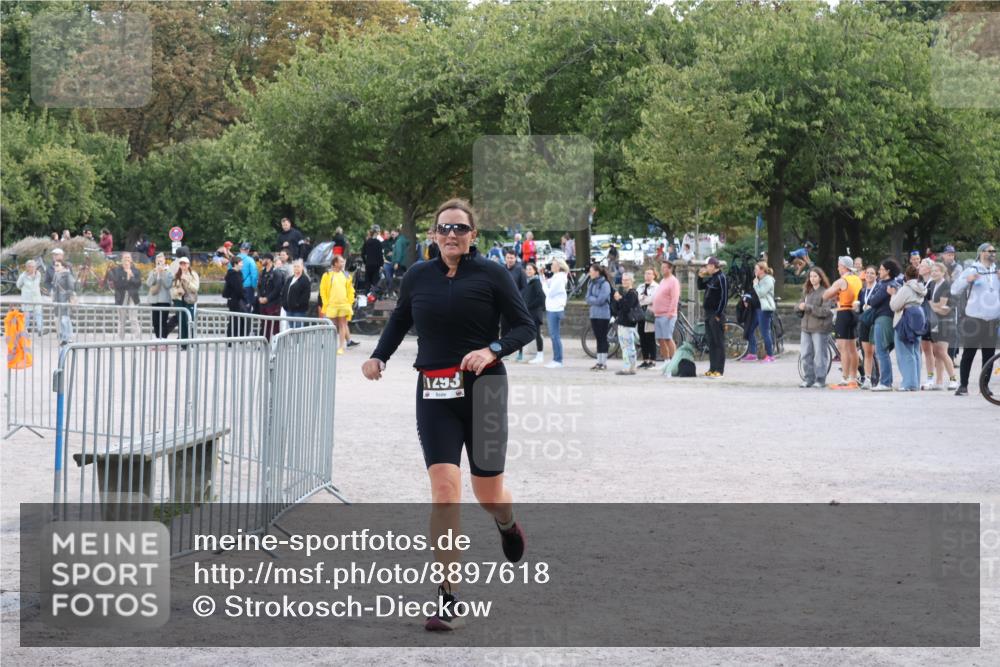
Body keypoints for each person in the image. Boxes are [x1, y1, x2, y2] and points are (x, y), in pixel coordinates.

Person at [362, 198, 533, 631]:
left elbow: (524, 326)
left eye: (459, 228)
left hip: (485, 390)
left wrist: (493, 349)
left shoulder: (492, 274)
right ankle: (448, 596)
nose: (451, 234)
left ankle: (507, 522)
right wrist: (379, 356)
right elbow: (400, 320)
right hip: (435, 391)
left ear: (473, 235)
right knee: (444, 491)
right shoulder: (418, 276)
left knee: (487, 494)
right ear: (433, 234)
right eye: (444, 228)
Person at [951, 242, 999, 396]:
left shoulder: (997, 271)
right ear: (981, 253)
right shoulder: (972, 269)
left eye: (994, 251)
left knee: (989, 355)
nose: (993, 253)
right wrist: (967, 280)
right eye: (989, 251)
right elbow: (954, 290)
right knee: (969, 353)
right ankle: (963, 385)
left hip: (992, 320)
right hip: (974, 319)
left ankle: (984, 387)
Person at [822, 256, 862, 388]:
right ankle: (853, 377)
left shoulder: (841, 281)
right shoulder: (857, 279)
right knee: (853, 348)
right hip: (854, 312)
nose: (838, 268)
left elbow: (825, 295)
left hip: (844, 312)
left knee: (843, 348)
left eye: (839, 265)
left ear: (844, 267)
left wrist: (836, 291)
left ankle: (844, 377)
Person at [889, 264, 927, 391]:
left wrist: (893, 294)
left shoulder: (906, 288)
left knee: (905, 352)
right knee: (915, 352)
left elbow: (894, 306)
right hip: (918, 319)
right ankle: (915, 382)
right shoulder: (921, 287)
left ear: (906, 275)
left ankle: (909, 383)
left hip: (905, 320)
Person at [867, 259, 902, 392]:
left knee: (881, 351)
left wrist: (872, 298)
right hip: (887, 319)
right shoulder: (892, 283)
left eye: (881, 269)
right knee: (882, 351)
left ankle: (885, 382)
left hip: (883, 319)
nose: (879, 271)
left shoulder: (887, 285)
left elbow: (873, 301)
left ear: (888, 271)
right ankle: (886, 381)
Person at [797, 268, 834, 388]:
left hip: (820, 328)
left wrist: (808, 307)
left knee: (819, 355)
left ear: (820, 278)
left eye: (815, 276)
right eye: (811, 276)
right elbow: (799, 305)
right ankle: (808, 378)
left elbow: (825, 311)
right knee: (805, 354)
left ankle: (820, 379)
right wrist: (799, 307)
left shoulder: (826, 292)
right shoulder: (807, 291)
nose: (812, 279)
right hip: (805, 328)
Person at [926, 262, 959, 390]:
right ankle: (939, 382)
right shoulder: (932, 284)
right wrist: (935, 306)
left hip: (946, 322)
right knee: (937, 353)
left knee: (942, 352)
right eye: (932, 271)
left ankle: (953, 379)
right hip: (936, 322)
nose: (934, 273)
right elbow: (936, 306)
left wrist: (932, 305)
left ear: (943, 272)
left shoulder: (946, 285)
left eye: (937, 271)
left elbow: (941, 307)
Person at [697, 256, 728, 377]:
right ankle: (712, 368)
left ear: (713, 266)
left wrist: (719, 314)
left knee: (718, 342)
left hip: (716, 314)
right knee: (711, 342)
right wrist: (700, 276)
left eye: (707, 266)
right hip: (708, 313)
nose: (706, 268)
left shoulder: (721, 277)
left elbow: (724, 297)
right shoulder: (712, 278)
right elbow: (700, 287)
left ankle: (719, 370)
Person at [320, 255, 355, 355]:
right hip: (331, 305)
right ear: (335, 263)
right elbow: (322, 290)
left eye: (343, 262)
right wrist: (325, 302)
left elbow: (351, 290)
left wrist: (350, 302)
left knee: (342, 324)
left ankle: (341, 347)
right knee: (331, 325)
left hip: (344, 304)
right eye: (341, 262)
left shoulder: (346, 275)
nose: (343, 263)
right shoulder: (327, 275)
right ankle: (330, 344)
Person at [744, 261, 776, 362]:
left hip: (765, 309)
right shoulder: (759, 280)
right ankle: (752, 353)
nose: (754, 271)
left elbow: (761, 293)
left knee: (765, 332)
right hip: (757, 308)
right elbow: (754, 293)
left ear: (762, 270)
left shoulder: (768, 280)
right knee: (750, 329)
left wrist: (756, 284)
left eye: (756, 269)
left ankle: (770, 355)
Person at [585, 262, 614, 371]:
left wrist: (593, 299)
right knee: (598, 338)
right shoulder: (591, 283)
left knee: (602, 338)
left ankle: (603, 362)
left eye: (591, 271)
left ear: (597, 272)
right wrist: (594, 299)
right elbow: (587, 298)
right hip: (594, 314)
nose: (590, 273)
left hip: (603, 315)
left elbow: (601, 300)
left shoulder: (605, 284)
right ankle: (598, 361)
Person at [652, 261, 680, 372]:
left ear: (670, 269)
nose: (662, 269)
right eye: (661, 267)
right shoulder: (663, 280)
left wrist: (670, 312)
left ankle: (674, 362)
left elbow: (675, 298)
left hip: (667, 314)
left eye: (664, 267)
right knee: (660, 339)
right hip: (658, 314)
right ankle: (666, 361)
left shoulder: (674, 281)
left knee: (668, 338)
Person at [541, 258, 569, 368]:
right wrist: (542, 277)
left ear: (559, 266)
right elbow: (546, 283)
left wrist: (544, 283)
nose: (551, 266)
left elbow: (549, 293)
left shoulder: (559, 278)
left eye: (553, 265)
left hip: (555, 309)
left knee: (554, 336)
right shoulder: (556, 277)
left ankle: (558, 360)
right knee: (554, 335)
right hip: (553, 308)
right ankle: (557, 359)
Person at [107, 252, 142, 337]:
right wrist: (127, 277)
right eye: (125, 258)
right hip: (121, 297)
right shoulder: (116, 271)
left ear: (131, 260)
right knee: (121, 320)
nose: (127, 259)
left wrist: (131, 277)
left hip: (133, 297)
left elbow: (138, 284)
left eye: (128, 257)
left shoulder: (136, 271)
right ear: (122, 260)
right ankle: (120, 339)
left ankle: (137, 339)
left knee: (133, 319)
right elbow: (117, 285)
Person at [613, 272, 641, 375]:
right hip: (622, 322)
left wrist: (619, 299)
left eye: (626, 280)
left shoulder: (632, 293)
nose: (624, 282)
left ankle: (628, 367)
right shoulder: (624, 293)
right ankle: (631, 367)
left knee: (627, 346)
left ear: (631, 281)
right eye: (623, 280)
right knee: (626, 346)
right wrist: (616, 300)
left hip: (628, 323)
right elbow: (617, 309)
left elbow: (626, 307)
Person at [166, 256, 199, 344]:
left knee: (189, 321)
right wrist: (177, 291)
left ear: (188, 264)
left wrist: (187, 281)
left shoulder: (193, 274)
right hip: (179, 301)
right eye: (181, 264)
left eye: (185, 264)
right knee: (181, 321)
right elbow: (171, 289)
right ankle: (183, 343)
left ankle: (191, 342)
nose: (183, 265)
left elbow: (195, 288)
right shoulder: (176, 275)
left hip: (190, 300)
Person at [856, 265, 879, 389]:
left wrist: (871, 307)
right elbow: (860, 308)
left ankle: (878, 377)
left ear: (876, 275)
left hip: (875, 322)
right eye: (867, 273)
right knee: (866, 352)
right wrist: (857, 307)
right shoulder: (862, 290)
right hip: (864, 322)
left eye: (872, 273)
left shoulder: (878, 289)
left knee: (875, 352)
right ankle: (868, 378)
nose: (869, 275)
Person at [503, 249, 528, 361]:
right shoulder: (501, 269)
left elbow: (524, 288)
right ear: (505, 258)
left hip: (516, 305)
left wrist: (516, 298)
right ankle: (504, 352)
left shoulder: (520, 271)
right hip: (504, 305)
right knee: (504, 330)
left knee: (518, 330)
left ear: (515, 258)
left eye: (512, 258)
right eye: (508, 257)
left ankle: (520, 353)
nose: (510, 260)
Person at [520, 262, 546, 364]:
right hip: (529, 313)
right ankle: (525, 354)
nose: (528, 271)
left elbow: (541, 298)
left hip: (535, 313)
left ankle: (540, 355)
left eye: (530, 269)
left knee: (537, 334)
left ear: (535, 271)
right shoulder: (529, 282)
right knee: (533, 334)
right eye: (527, 269)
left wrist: (529, 306)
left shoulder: (536, 282)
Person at [917, 259, 937, 388]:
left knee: (938, 352)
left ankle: (940, 378)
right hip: (922, 318)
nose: (919, 267)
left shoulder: (934, 283)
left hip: (933, 318)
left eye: (923, 265)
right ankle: (929, 377)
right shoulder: (920, 283)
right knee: (925, 349)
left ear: (929, 269)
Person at [257, 253, 285, 341]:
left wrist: (267, 299)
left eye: (263, 259)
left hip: (273, 304)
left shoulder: (276, 273)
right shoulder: (262, 272)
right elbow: (259, 287)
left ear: (269, 260)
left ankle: (275, 343)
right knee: (264, 324)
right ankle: (265, 342)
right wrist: (259, 297)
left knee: (274, 326)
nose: (261, 261)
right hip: (263, 304)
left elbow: (278, 289)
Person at [146, 253, 174, 342]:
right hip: (154, 300)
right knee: (155, 322)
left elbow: (168, 285)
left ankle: (163, 340)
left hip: (164, 300)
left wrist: (162, 273)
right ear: (155, 261)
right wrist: (155, 273)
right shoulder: (153, 271)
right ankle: (158, 339)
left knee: (163, 321)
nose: (159, 263)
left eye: (161, 261)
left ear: (164, 261)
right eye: (158, 261)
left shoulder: (168, 272)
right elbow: (148, 283)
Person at [636, 268, 659, 369]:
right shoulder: (640, 287)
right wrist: (643, 299)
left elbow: (653, 299)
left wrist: (643, 299)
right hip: (640, 314)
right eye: (646, 273)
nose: (647, 275)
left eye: (650, 273)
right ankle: (645, 360)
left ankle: (652, 360)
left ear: (654, 275)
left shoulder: (657, 287)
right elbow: (636, 298)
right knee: (642, 337)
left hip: (650, 313)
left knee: (650, 337)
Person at [51, 258, 76, 344]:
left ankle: (68, 337)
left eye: (57, 265)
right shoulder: (56, 274)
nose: (55, 267)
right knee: (60, 320)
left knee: (65, 320)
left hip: (65, 300)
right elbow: (54, 287)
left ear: (63, 266)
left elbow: (71, 288)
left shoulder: (67, 275)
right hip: (57, 300)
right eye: (54, 265)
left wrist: (65, 294)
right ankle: (64, 338)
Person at [16, 259, 45, 334]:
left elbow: (37, 284)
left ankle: (40, 330)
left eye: (34, 266)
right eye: (30, 267)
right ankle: (25, 331)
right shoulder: (23, 276)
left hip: (37, 298)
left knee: (39, 314)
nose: (32, 268)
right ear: (27, 267)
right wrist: (25, 289)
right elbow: (18, 285)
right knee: (26, 317)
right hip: (27, 299)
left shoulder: (38, 274)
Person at [222, 256, 248, 338]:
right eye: (241, 263)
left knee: (236, 320)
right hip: (235, 300)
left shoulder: (237, 273)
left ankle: (236, 337)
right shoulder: (234, 275)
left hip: (235, 299)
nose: (242, 264)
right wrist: (245, 298)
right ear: (236, 264)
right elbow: (238, 289)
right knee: (235, 320)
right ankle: (233, 338)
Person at [282, 259, 311, 327]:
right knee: (291, 329)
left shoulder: (305, 279)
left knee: (298, 329)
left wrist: (297, 304)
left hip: (299, 311)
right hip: (289, 309)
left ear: (302, 267)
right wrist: (284, 303)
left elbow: (306, 296)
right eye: (295, 266)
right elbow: (284, 291)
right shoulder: (290, 279)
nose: (296, 268)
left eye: (298, 266)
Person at [362, 227, 384, 291]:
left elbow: (363, 254)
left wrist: (365, 262)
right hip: (376, 265)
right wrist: (381, 264)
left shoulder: (367, 242)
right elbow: (380, 255)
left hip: (368, 263)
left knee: (367, 280)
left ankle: (366, 293)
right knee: (375, 280)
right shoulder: (379, 243)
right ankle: (373, 294)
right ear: (375, 234)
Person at [238, 243, 258, 310]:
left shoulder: (233, 259)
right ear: (248, 250)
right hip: (247, 287)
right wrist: (254, 286)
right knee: (246, 307)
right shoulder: (250, 260)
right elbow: (254, 275)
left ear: (240, 249)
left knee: (236, 308)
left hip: (235, 287)